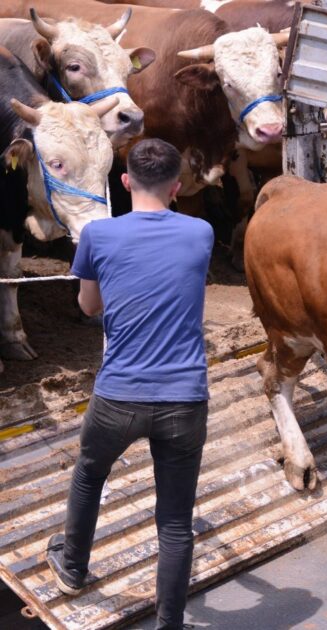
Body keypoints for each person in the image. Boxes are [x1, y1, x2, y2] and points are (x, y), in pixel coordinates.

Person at [46, 139, 214, 630]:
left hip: (119, 394)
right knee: (176, 523)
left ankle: (73, 567)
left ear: (124, 182)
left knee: (89, 474)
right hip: (185, 399)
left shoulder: (98, 235)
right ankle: (169, 624)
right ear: (178, 187)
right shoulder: (201, 233)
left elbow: (88, 307)